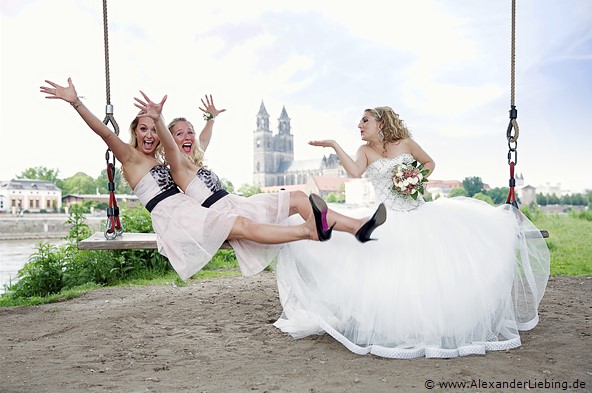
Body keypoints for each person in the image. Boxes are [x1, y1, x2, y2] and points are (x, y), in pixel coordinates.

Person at [273, 106, 551, 359]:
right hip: (387, 217)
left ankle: (433, 323)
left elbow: (429, 162)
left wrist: (415, 179)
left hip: (420, 214)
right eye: (360, 121)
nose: (360, 125)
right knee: (389, 272)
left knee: (428, 271)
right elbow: (355, 172)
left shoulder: (404, 143)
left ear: (381, 122)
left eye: (365, 120)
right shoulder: (365, 151)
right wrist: (334, 145)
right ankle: (393, 324)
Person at [40, 77, 345, 281]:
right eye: (143, 129)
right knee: (239, 224)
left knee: (240, 222)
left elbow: (199, 143)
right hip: (174, 218)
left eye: (153, 130)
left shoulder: (164, 160)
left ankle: (317, 232)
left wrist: (210, 120)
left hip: (192, 212)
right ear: (135, 132)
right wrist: (76, 102)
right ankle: (309, 232)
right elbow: (105, 132)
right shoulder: (131, 158)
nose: (148, 135)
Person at [133, 92, 387, 277]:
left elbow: (202, 138)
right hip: (227, 213)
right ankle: (319, 230)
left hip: (238, 202)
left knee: (299, 197)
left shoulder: (193, 160)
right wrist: (159, 119)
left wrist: (210, 118)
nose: (188, 136)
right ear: (170, 139)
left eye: (190, 131)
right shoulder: (177, 165)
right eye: (180, 133)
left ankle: (355, 227)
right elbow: (167, 142)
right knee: (296, 203)